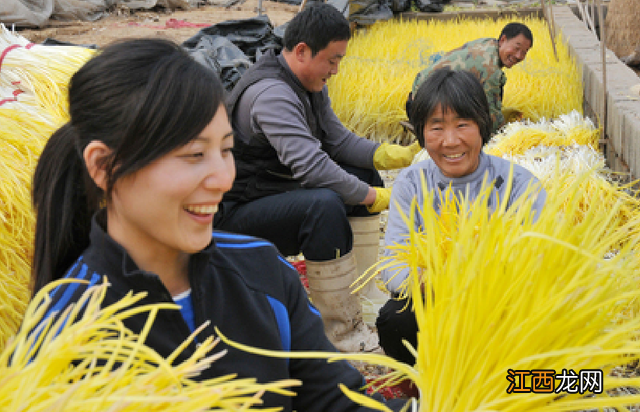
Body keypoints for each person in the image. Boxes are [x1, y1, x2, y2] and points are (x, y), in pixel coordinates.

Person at [29, 38, 408, 412]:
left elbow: (337, 403)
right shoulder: (66, 331)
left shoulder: (263, 271)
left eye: (226, 150)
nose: (223, 178)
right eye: (194, 154)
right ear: (103, 166)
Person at [214, 2, 420, 353]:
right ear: (302, 51)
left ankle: (363, 290)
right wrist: (374, 198)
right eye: (333, 60)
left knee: (362, 172)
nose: (336, 70)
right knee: (323, 205)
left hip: (269, 191)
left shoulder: (308, 83)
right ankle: (341, 331)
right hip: (238, 212)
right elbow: (312, 167)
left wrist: (385, 156)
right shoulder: (273, 95)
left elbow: (336, 140)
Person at [377, 67, 547, 365]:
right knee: (395, 319)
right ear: (421, 132)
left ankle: (521, 386)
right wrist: (426, 281)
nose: (450, 141)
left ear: (483, 126)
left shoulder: (518, 185)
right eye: (437, 127)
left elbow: (541, 262)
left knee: (567, 377)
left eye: (463, 124)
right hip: (436, 300)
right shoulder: (412, 183)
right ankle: (428, 389)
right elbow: (392, 263)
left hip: (505, 307)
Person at [407, 22, 534, 135]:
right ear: (503, 40)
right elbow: (492, 115)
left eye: (524, 52)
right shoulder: (489, 68)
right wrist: (506, 136)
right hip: (424, 107)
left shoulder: (489, 44)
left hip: (421, 96)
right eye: (516, 48)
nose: (519, 56)